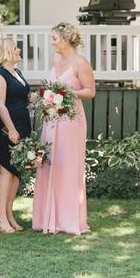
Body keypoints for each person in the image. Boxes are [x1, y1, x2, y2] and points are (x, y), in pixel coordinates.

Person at [33, 22, 95, 235]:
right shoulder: (56, 59)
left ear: (66, 40)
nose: (52, 43)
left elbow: (90, 91)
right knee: (51, 163)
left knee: (67, 166)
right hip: (52, 118)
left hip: (71, 120)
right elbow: (51, 85)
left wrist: (68, 93)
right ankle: (48, 218)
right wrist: (47, 95)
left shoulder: (80, 63)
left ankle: (69, 219)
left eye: (55, 39)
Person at [0, 38, 32, 233]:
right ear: (6, 52)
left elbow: (20, 97)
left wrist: (34, 97)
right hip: (6, 127)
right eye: (15, 47)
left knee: (16, 173)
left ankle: (9, 214)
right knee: (6, 170)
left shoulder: (18, 73)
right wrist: (11, 129)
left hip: (22, 124)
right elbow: (0, 105)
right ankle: (0, 217)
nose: (19, 50)